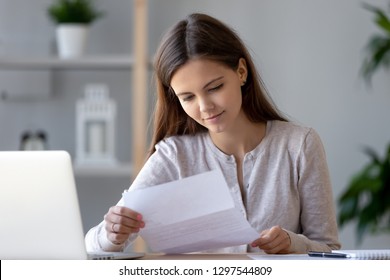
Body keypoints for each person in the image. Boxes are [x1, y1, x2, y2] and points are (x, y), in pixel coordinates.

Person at [85, 13, 341, 254]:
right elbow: (92, 245)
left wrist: (293, 243)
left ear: (241, 72)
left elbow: (329, 248)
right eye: (188, 97)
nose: (205, 107)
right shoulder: (174, 156)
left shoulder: (299, 145)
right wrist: (112, 234)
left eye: (215, 87)